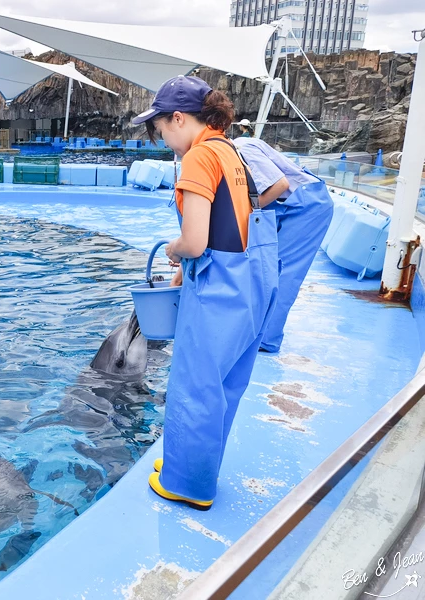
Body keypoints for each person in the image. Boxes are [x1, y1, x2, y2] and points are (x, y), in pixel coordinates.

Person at [132, 76, 279, 510]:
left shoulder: (198, 158)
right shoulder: (230, 151)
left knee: (196, 385)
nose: (160, 137)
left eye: (158, 127)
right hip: (253, 282)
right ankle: (190, 463)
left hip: (220, 292)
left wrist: (176, 254)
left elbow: (194, 241)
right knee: (225, 385)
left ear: (178, 118)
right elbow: (233, 225)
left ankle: (187, 484)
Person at [232, 136, 334, 353]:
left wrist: (242, 212)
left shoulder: (241, 148)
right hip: (287, 207)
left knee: (283, 273)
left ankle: (267, 340)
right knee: (264, 269)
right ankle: (257, 330)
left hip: (308, 205)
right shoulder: (232, 148)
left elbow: (279, 185)